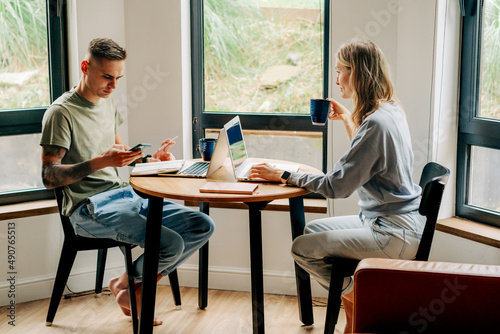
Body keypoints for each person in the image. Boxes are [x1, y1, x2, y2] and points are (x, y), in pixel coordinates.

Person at [40, 38, 215, 326]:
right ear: (86, 67)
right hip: (86, 209)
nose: (113, 85)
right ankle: (135, 291)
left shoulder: (107, 105)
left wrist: (152, 161)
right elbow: (49, 177)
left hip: (124, 197)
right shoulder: (61, 113)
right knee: (168, 243)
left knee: (202, 225)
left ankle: (128, 286)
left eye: (118, 78)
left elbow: (122, 156)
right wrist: (101, 162)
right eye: (107, 77)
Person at [249, 38, 425, 297]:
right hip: (396, 224)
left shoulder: (376, 124)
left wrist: (284, 176)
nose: (337, 79)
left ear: (356, 72)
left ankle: (357, 299)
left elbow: (336, 186)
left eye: (339, 71)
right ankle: (356, 297)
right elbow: (367, 156)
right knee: (311, 231)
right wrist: (346, 117)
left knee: (301, 248)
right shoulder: (390, 110)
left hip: (392, 233)